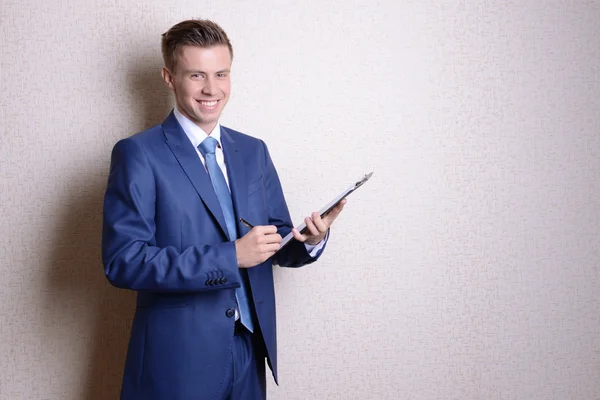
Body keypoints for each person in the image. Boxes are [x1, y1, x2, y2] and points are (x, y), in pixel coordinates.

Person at [101, 19, 345, 400]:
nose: (211, 89)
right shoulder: (139, 154)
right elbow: (123, 261)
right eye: (196, 74)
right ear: (169, 77)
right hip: (177, 361)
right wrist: (230, 257)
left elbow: (276, 240)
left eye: (221, 74)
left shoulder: (253, 151)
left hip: (250, 350)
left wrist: (311, 239)